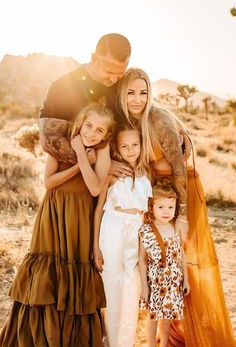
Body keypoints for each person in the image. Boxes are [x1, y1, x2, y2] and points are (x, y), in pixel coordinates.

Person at [116, 68, 235, 347]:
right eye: (130, 93)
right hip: (161, 196)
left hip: (181, 194)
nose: (137, 99)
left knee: (188, 260)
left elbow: (179, 167)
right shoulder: (132, 122)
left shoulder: (158, 120)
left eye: (143, 92)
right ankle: (167, 333)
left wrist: (180, 215)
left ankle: (195, 333)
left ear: (150, 94)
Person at [0, 102, 116, 347]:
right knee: (48, 267)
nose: (92, 134)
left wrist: (83, 156)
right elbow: (49, 182)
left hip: (81, 215)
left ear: (106, 135)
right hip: (54, 213)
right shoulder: (62, 142)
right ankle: (41, 336)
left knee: (75, 267)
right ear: (80, 123)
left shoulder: (102, 150)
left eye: (99, 130)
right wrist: (78, 162)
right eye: (89, 126)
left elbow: (95, 188)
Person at [93, 122, 152, 347]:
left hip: (136, 229)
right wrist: (95, 247)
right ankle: (108, 341)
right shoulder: (112, 174)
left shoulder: (146, 174)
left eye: (135, 144)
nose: (130, 150)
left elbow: (149, 213)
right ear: (117, 148)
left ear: (141, 145)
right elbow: (98, 210)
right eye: (124, 146)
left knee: (131, 287)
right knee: (111, 284)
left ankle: (125, 343)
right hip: (113, 227)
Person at [39, 33, 131, 164]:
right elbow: (49, 140)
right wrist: (101, 165)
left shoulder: (123, 87)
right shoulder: (62, 87)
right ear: (94, 59)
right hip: (73, 175)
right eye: (109, 72)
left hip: (116, 178)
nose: (114, 79)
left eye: (120, 73)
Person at [138, 179, 190, 347]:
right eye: (161, 207)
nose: (166, 212)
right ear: (151, 207)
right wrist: (145, 287)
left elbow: (181, 255)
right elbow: (142, 260)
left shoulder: (175, 227)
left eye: (170, 207)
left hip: (174, 280)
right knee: (153, 316)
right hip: (156, 281)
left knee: (167, 317)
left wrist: (186, 280)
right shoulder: (147, 230)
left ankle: (164, 343)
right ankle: (151, 344)